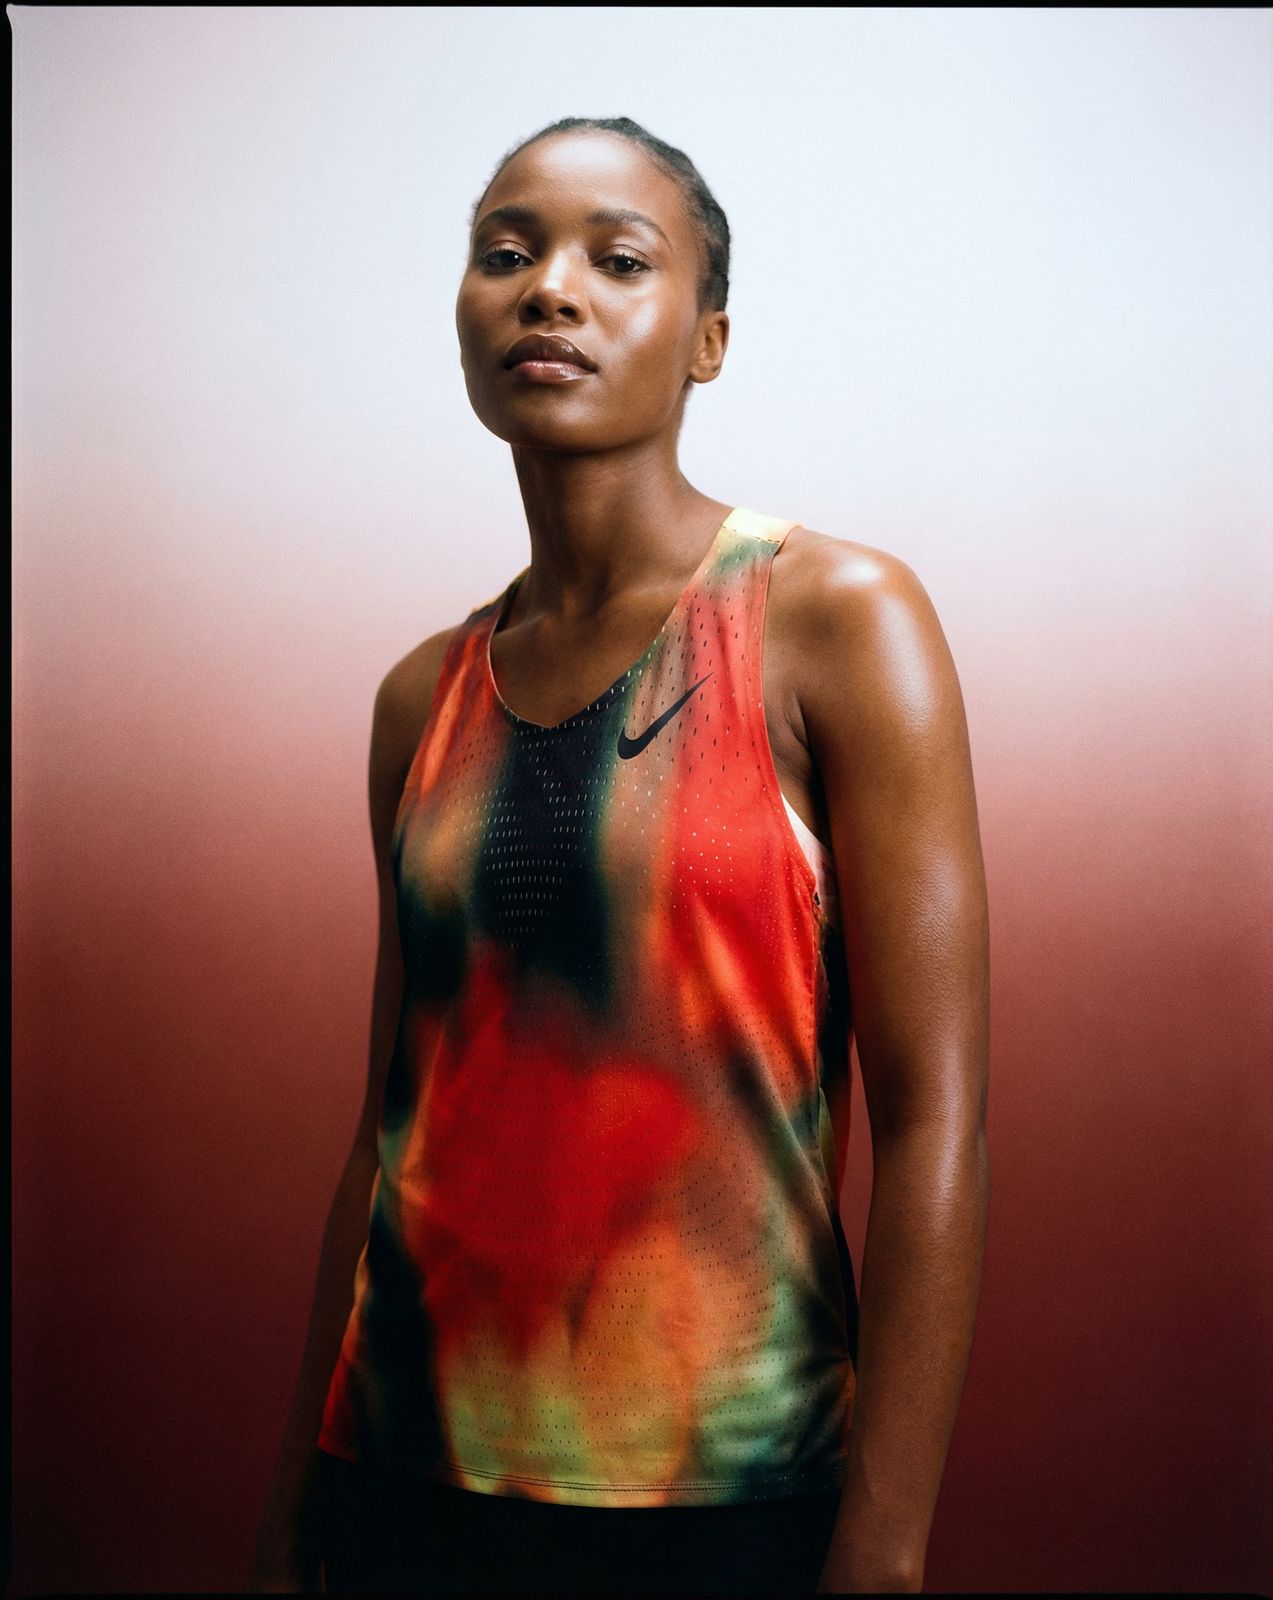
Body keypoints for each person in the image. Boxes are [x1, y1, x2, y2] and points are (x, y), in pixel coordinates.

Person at [250, 115, 989, 1597]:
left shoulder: (833, 621)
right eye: (505, 253)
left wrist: (883, 1549)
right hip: (398, 1478)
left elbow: (935, 1122)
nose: (549, 289)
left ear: (708, 340)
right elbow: (389, 1130)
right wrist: (287, 1523)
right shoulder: (421, 696)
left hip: (723, 1496)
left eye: (620, 259)